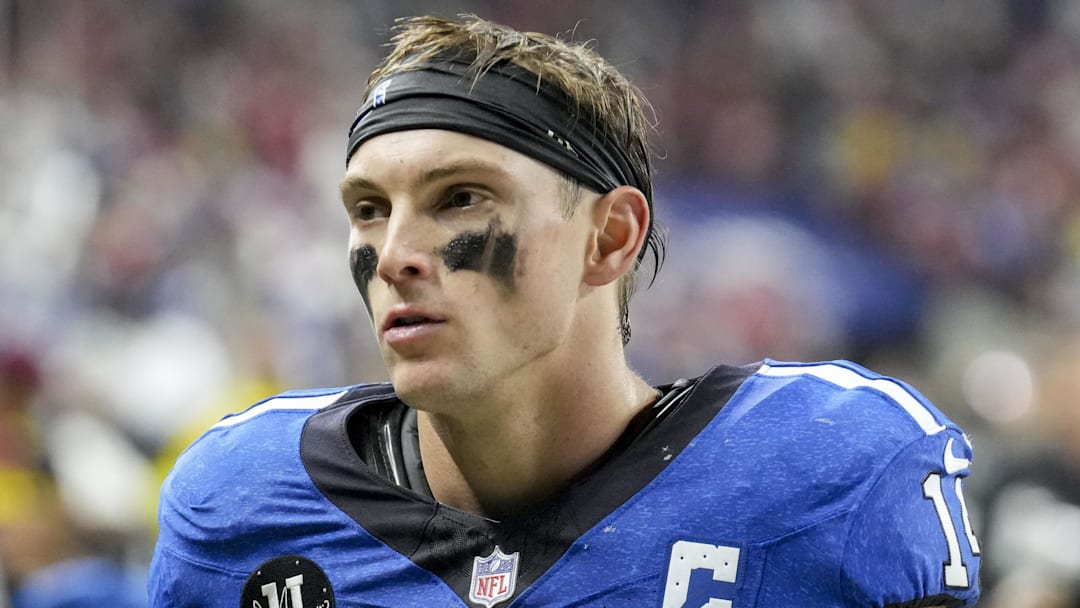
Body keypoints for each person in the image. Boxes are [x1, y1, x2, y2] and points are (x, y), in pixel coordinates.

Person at [149, 14, 981, 607]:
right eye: (369, 209)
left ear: (610, 239)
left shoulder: (834, 472)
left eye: (461, 197)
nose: (395, 252)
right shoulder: (243, 502)